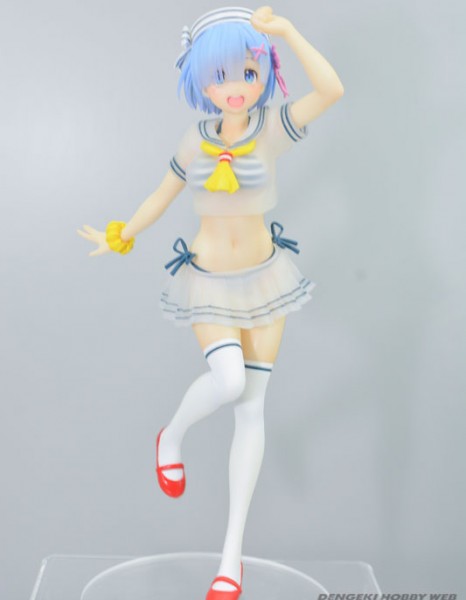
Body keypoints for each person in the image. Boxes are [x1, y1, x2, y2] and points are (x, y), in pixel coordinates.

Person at [78, 6, 344, 599]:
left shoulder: (272, 128)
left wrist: (287, 32)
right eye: (220, 76)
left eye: (248, 73)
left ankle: (231, 559)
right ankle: (170, 436)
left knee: (251, 409)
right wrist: (122, 234)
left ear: (265, 72)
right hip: (209, 282)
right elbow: (162, 193)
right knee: (229, 381)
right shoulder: (195, 140)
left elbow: (331, 89)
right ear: (200, 79)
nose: (235, 88)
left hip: (266, 281)